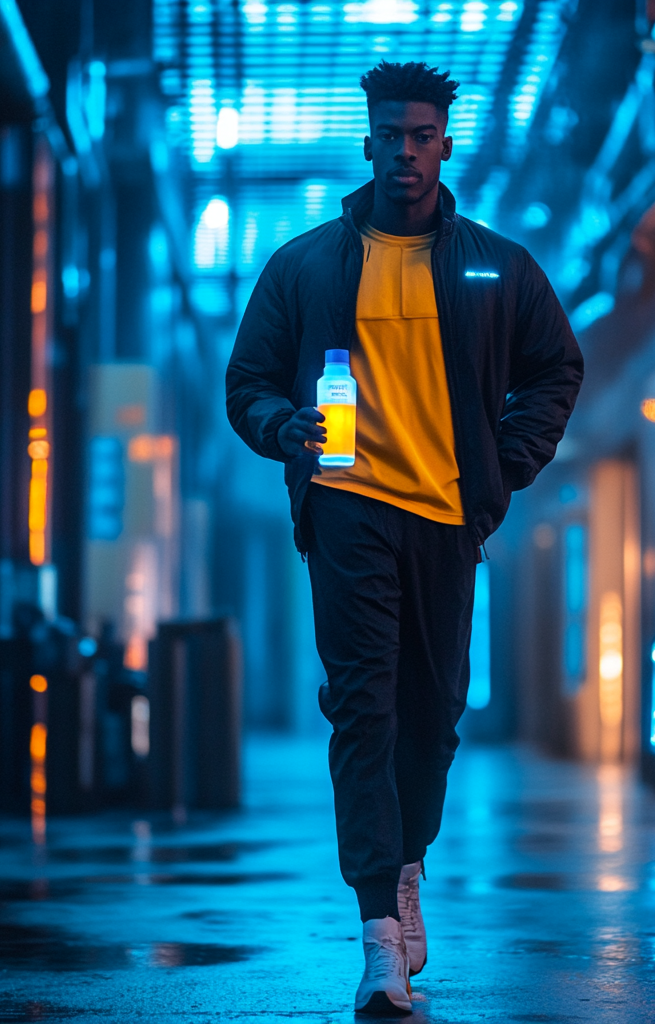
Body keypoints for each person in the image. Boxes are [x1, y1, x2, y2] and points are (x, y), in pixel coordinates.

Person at [226, 60, 583, 1016]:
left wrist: (507, 465)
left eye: (422, 136)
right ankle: (379, 931)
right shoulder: (306, 263)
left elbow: (556, 367)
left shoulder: (490, 264)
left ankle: (407, 864)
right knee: (364, 710)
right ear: (370, 141)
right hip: (347, 511)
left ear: (445, 144)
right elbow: (248, 380)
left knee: (434, 717)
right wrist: (280, 428)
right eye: (391, 135)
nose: (405, 152)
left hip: (446, 519)